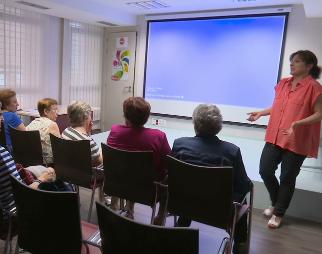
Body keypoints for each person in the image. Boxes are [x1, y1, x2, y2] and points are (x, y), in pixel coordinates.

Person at [247, 50, 322, 229]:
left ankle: (278, 213)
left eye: (296, 61)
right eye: (291, 61)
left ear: (309, 66)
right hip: (275, 134)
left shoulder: (314, 87)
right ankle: (275, 202)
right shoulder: (283, 83)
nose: (291, 64)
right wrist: (261, 113)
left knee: (287, 177)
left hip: (297, 139)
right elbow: (279, 106)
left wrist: (297, 124)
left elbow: (319, 114)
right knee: (265, 170)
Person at [172, 104, 251, 254]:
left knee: (191, 186)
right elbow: (243, 186)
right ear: (218, 126)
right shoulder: (231, 151)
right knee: (243, 200)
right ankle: (240, 244)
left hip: (183, 204)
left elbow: (172, 175)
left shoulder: (179, 144)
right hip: (218, 212)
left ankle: (183, 223)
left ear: (195, 124)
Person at [106, 97, 171, 224]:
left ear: (125, 115)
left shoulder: (115, 131)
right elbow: (168, 162)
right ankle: (160, 217)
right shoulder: (158, 136)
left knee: (130, 171)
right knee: (167, 179)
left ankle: (129, 210)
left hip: (118, 184)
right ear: (146, 117)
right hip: (149, 190)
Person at [62, 101, 102, 166]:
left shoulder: (66, 131)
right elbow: (99, 162)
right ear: (85, 117)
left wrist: (88, 133)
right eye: (89, 115)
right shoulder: (88, 141)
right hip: (87, 174)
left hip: (71, 169)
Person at [26, 98, 60, 165]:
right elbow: (59, 148)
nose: (57, 113)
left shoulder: (32, 123)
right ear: (46, 112)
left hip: (32, 161)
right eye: (55, 110)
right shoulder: (52, 124)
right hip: (49, 163)